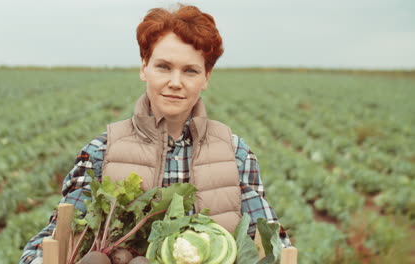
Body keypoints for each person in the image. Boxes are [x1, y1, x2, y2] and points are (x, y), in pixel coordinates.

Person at [20, 4, 291, 263]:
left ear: (206, 77)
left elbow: (272, 242)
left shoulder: (235, 153)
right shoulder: (101, 151)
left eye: (190, 71)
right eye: (164, 67)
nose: (175, 82)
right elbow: (52, 239)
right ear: (144, 67)